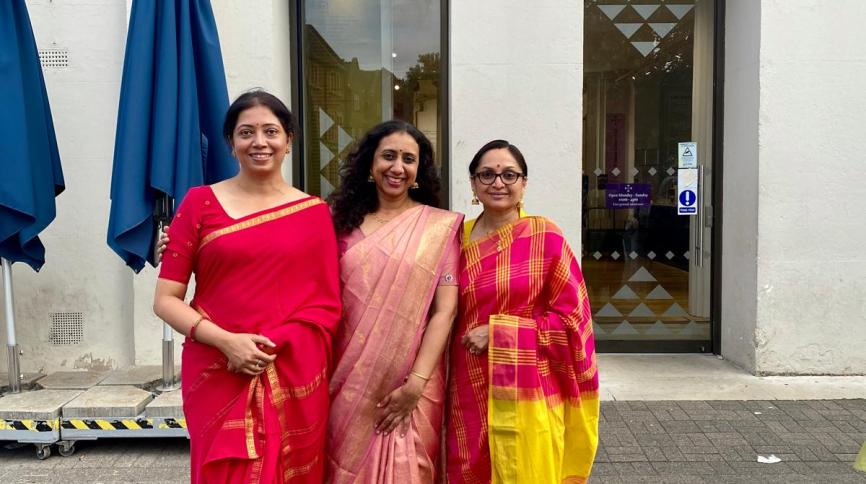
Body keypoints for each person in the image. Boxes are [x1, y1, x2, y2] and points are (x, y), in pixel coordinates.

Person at [153, 90, 341, 483]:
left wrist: (274, 344)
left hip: (289, 367)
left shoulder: (314, 213)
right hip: (216, 369)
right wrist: (226, 341)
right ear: (231, 143)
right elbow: (166, 300)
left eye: (271, 131)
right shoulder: (199, 203)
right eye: (246, 132)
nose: (259, 142)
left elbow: (326, 306)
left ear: (289, 140)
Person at [446, 140, 600, 483]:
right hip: (465, 382)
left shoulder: (546, 237)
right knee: (468, 467)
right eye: (487, 174)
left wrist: (500, 333)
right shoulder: (455, 239)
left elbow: (573, 323)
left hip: (529, 386)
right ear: (472, 183)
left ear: (524, 183)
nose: (497, 183)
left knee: (524, 468)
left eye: (509, 174)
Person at [326, 120, 463, 483]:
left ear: (419, 171)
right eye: (388, 156)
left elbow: (444, 311)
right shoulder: (337, 224)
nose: (397, 167)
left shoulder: (439, 228)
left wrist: (416, 384)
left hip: (414, 382)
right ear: (370, 164)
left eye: (409, 159)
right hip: (348, 378)